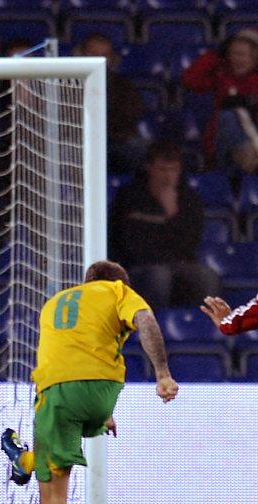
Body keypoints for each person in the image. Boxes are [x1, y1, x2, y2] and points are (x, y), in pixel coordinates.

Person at [0, 260, 178, 504]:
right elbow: (146, 320)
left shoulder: (54, 302)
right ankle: (27, 460)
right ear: (119, 282)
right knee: (62, 440)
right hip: (103, 393)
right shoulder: (119, 292)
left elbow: (64, 354)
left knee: (53, 500)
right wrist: (162, 374)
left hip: (57, 390)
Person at [108, 139, 221, 307]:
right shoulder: (130, 197)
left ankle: (200, 328)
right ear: (150, 168)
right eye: (162, 169)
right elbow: (125, 242)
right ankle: (153, 327)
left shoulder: (188, 199)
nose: (168, 176)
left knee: (207, 277)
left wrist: (171, 212)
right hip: (139, 266)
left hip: (177, 264)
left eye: (173, 170)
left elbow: (189, 244)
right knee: (159, 276)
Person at [183, 28, 258, 171]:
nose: (237, 59)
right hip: (222, 147)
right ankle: (249, 157)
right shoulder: (222, 75)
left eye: (242, 55)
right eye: (233, 54)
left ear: (255, 58)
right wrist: (216, 55)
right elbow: (190, 80)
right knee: (228, 116)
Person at [76, 33, 147, 173]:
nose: (98, 60)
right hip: (79, 140)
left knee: (137, 148)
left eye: (103, 56)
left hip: (115, 140)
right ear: (82, 54)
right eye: (93, 54)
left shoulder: (123, 86)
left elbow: (131, 115)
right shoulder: (68, 83)